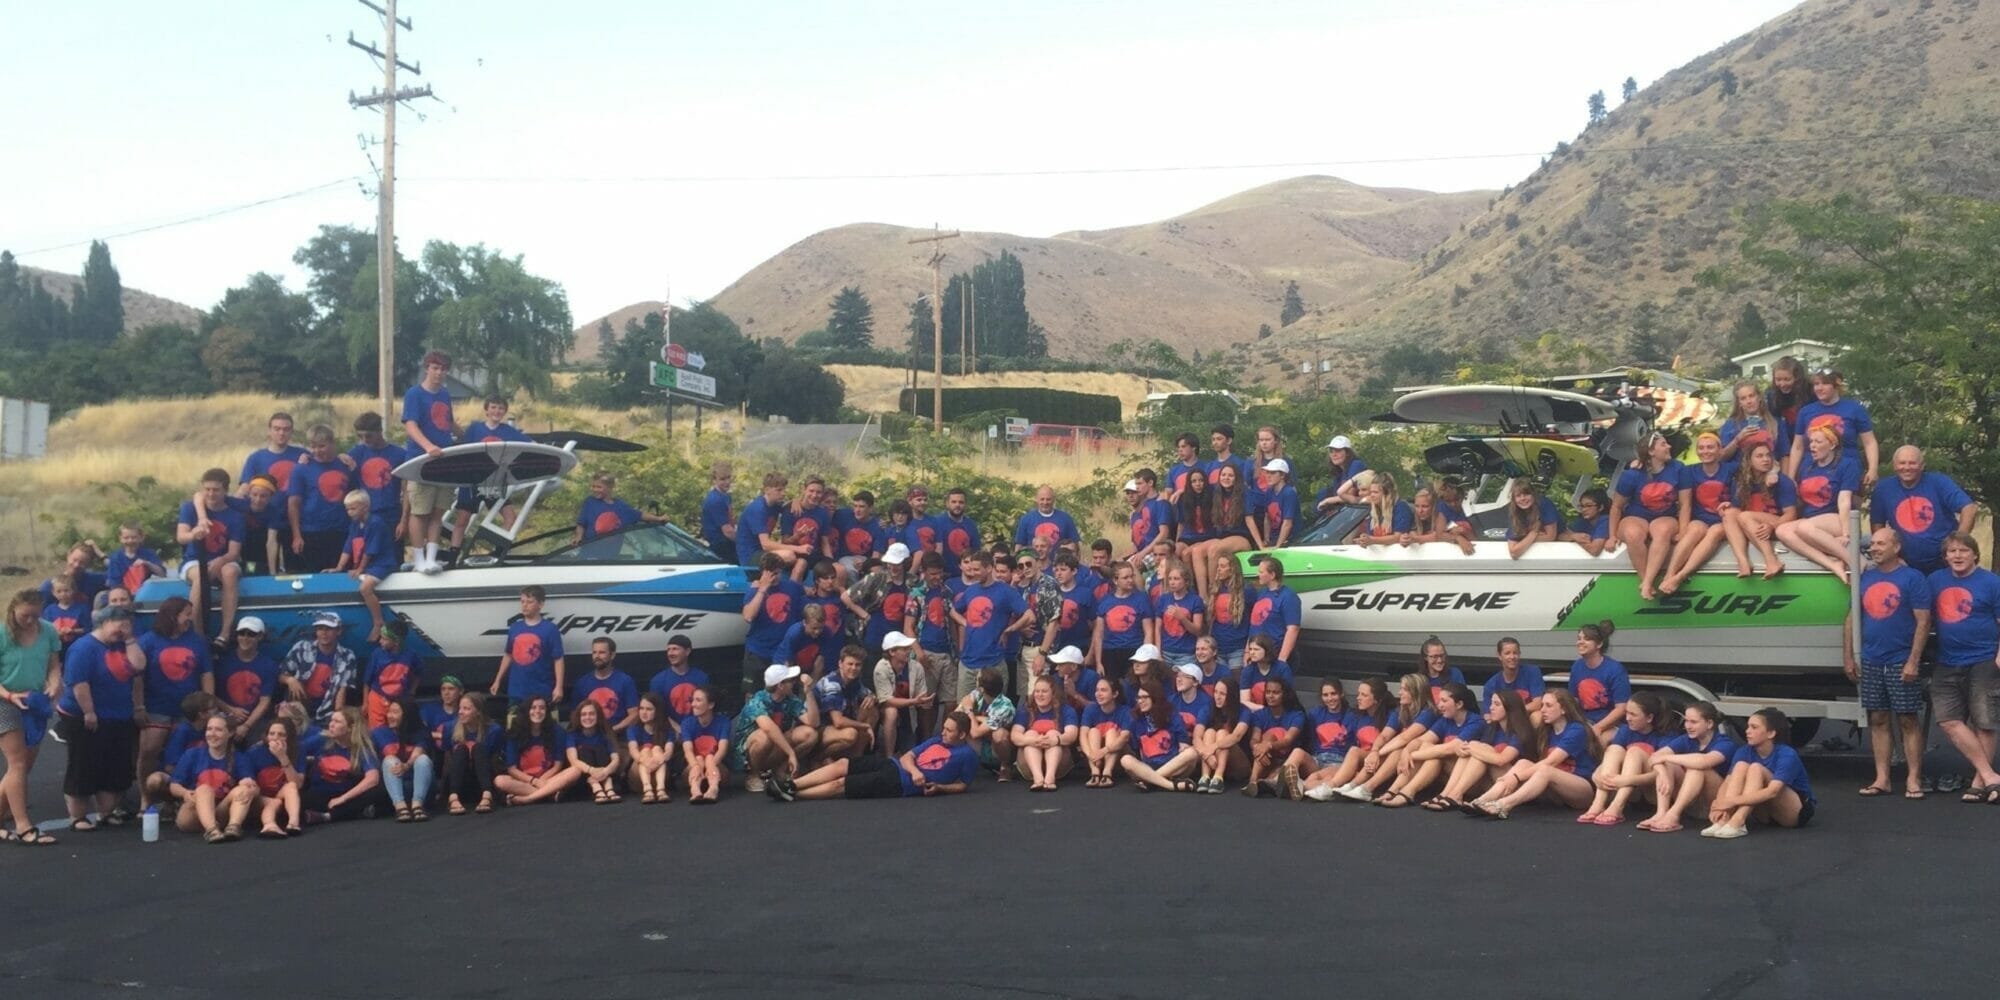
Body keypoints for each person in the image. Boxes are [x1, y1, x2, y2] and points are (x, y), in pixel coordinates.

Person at [1845, 528, 1931, 799]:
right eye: (1872, 544)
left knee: (1908, 719)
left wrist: (1913, 661)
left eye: (1881, 543)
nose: (1874, 548)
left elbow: (1923, 621)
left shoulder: (1913, 578)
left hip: (1900, 660)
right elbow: (1851, 619)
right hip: (1871, 659)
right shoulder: (1865, 578)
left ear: (1896, 547)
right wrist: (1848, 657)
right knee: (1878, 718)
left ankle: (1913, 779)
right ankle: (1882, 779)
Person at [55, 606, 145, 831]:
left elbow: (138, 667)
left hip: (119, 715)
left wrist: (129, 640)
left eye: (127, 626)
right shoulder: (83, 648)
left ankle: (106, 812)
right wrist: (89, 711)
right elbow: (79, 683)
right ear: (104, 623)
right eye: (119, 626)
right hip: (86, 715)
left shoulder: (123, 644)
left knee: (114, 765)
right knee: (84, 764)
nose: (122, 631)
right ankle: (78, 816)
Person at [766, 709, 979, 802]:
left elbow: (963, 785)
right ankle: (792, 784)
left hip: (899, 784)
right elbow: (907, 757)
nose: (943, 732)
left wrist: (940, 787)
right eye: (944, 728)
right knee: (843, 763)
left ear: (962, 734)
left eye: (949, 731)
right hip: (894, 765)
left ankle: (795, 794)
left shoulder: (967, 755)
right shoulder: (936, 740)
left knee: (841, 784)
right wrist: (915, 771)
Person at [1928, 532, 2000, 801]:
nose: (1957, 555)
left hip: (1984, 659)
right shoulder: (1935, 581)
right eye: (1952, 551)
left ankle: (1980, 784)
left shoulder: (1992, 582)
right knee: (1948, 720)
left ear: (1975, 554)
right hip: (1947, 660)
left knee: (1985, 722)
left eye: (1963, 551)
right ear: (1945, 557)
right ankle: (1991, 776)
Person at [1469, 690, 1605, 819]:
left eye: (1548, 706)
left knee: (1545, 769)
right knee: (1523, 763)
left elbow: (1551, 762)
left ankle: (1503, 805)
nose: (1543, 710)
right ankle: (1481, 801)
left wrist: (1516, 778)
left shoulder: (1576, 730)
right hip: (1555, 791)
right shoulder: (1546, 731)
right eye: (1542, 705)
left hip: (1582, 790)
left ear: (1564, 709)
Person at [135, 596, 213, 803]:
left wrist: (208, 705)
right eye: (187, 614)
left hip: (188, 708)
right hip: (156, 706)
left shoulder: (196, 640)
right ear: (172, 616)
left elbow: (206, 673)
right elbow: (138, 677)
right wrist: (139, 706)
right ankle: (146, 797)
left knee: (183, 752)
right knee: (149, 751)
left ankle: (175, 799)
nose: (190, 618)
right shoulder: (148, 640)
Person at [0, 589, 63, 844]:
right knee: (17, 763)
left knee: (24, 766)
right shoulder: (3, 634)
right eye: (25, 615)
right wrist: (8, 695)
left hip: (34, 700)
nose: (30, 621)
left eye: (35, 616)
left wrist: (55, 683)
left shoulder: (48, 630)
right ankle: (24, 826)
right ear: (14, 609)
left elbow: (54, 664)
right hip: (6, 700)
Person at [1704, 708, 1816, 838]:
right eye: (1748, 726)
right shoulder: (1744, 751)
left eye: (1754, 727)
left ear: (1771, 733)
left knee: (1756, 768)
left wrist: (1732, 801)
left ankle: (1738, 821)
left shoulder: (1787, 754)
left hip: (1793, 812)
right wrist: (1720, 804)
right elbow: (1728, 782)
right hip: (1764, 814)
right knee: (1741, 765)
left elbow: (1773, 791)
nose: (1747, 731)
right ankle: (1724, 819)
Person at [1870, 446, 1977, 574]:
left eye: (1912, 463)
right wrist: (1892, 556)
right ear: (1894, 466)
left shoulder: (1939, 482)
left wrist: (1957, 544)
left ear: (1922, 466)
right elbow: (1877, 525)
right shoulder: (1883, 489)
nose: (1907, 467)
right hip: (1905, 564)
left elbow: (1969, 508)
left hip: (1944, 563)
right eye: (1902, 463)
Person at [1776, 425, 1862, 582]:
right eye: (1811, 441)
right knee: (1782, 530)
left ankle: (1854, 561)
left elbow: (1844, 500)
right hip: (1811, 520)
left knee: (1804, 527)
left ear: (1832, 444)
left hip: (1838, 518)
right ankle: (1832, 564)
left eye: (1818, 442)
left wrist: (1846, 533)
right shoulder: (1807, 465)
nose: (1812, 446)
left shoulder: (1847, 464)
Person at [1578, 691, 1678, 826]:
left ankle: (1617, 807)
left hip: (1654, 791)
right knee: (1614, 749)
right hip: (1628, 790)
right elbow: (1610, 759)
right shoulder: (1626, 730)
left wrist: (1630, 780)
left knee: (1634, 751)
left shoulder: (1666, 735)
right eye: (1626, 713)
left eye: (1633, 714)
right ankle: (1598, 804)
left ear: (1649, 718)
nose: (1627, 718)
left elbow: (1665, 773)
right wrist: (1597, 774)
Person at [401, 350, 461, 573]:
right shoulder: (414, 394)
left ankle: (431, 558)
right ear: (427, 368)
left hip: (443, 462)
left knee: (438, 512)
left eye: (443, 369)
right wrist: (427, 446)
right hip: (421, 461)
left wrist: (467, 435)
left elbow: (449, 423)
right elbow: (410, 424)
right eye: (435, 368)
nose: (439, 373)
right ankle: (418, 560)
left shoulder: (444, 394)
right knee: (420, 512)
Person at [1379, 681, 1484, 809]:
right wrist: (1406, 751)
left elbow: (1450, 748)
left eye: (1444, 701)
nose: (1439, 705)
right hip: (1447, 775)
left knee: (1433, 753)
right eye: (1439, 700)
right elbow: (1421, 740)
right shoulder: (1445, 720)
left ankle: (1407, 792)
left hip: (1470, 781)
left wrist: (1412, 755)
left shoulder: (1476, 722)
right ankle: (1394, 790)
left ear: (1459, 704)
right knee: (1427, 746)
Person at [950, 550, 1031, 713]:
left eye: (976, 569)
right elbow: (953, 611)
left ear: (988, 568)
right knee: (963, 712)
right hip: (968, 662)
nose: (973, 573)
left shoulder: (1005, 591)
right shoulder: (971, 590)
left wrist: (1009, 630)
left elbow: (1029, 615)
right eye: (971, 568)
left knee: (994, 713)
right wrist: (965, 623)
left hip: (993, 663)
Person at [1638, 700, 1738, 833]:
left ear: (1709, 723)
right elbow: (1654, 757)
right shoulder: (1686, 739)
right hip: (1692, 804)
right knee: (1667, 765)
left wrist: (1666, 757)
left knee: (1696, 769)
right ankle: (1661, 813)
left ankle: (1673, 815)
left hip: (1713, 805)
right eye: (1686, 721)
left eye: (1693, 722)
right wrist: (1662, 772)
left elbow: (1704, 761)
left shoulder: (1725, 743)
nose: (1688, 726)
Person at [1427, 690, 1536, 811]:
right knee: (1476, 748)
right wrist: (1472, 748)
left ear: (1510, 708)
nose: (1491, 707)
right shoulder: (1492, 729)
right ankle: (1447, 793)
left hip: (1513, 784)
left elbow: (1501, 760)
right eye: (1491, 703)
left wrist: (1471, 748)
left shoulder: (1520, 732)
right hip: (1491, 782)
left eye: (1497, 704)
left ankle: (1455, 794)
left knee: (1478, 748)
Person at [1336, 674, 1436, 803]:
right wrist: (1374, 751)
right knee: (1362, 750)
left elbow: (1404, 738)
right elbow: (1384, 735)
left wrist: (1377, 753)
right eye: (1400, 688)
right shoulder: (1400, 710)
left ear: (1416, 692)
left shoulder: (1428, 712)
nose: (1399, 693)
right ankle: (1352, 785)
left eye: (1404, 689)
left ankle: (1367, 788)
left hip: (1420, 758)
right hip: (1401, 756)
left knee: (1397, 750)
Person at [1611, 432, 1686, 600]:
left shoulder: (1678, 468)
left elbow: (1685, 504)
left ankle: (1647, 582)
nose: (1669, 447)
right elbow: (1616, 507)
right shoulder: (1632, 474)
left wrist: (1683, 530)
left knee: (1662, 530)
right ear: (1651, 451)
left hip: (1665, 517)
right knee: (1633, 533)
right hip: (1636, 516)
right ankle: (1645, 580)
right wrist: (1611, 535)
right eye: (1663, 444)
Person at [1659, 433, 1734, 593]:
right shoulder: (1689, 471)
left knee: (1715, 532)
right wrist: (1639, 462)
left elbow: (1759, 466)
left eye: (1710, 447)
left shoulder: (1731, 469)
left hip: (1723, 520)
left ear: (1720, 450)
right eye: (1701, 448)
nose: (1705, 451)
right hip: (1700, 518)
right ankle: (1670, 574)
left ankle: (1681, 575)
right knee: (1694, 530)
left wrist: (1773, 472)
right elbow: (1663, 469)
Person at [176, 468, 245, 639]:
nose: (211, 494)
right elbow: (181, 537)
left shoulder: (235, 517)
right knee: (201, 575)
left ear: (225, 491)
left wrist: (220, 561)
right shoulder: (190, 509)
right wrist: (193, 534)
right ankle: (197, 632)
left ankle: (225, 632)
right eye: (207, 489)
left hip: (224, 559)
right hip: (194, 559)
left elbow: (234, 552)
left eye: (216, 490)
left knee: (230, 572)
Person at [168, 711, 258, 842]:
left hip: (222, 811)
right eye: (209, 729)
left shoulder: (240, 757)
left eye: (218, 730)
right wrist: (185, 793)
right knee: (204, 789)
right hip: (194, 812)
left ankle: (234, 827)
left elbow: (255, 789)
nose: (212, 734)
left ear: (230, 733)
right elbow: (174, 785)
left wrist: (249, 786)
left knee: (244, 789)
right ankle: (211, 830)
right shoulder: (192, 754)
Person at [1785, 367, 1879, 490]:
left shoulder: (1854, 409)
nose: (1819, 388)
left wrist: (1873, 469)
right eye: (1816, 384)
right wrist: (1791, 477)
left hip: (1846, 471)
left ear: (1836, 386)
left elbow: (1869, 442)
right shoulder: (1805, 412)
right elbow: (1798, 446)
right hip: (1812, 471)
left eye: (1825, 383)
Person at [732, 663, 820, 793]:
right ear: (780, 685)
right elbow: (769, 728)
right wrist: (791, 753)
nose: (794, 682)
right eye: (790, 680)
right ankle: (753, 775)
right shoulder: (758, 700)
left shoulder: (790, 700)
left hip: (775, 747)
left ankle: (780, 770)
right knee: (764, 737)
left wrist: (809, 692)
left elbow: (814, 722)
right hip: (749, 753)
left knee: (810, 734)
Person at [1718, 441, 1798, 580]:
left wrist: (1772, 526)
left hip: (1778, 523)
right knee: (1729, 513)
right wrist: (1728, 505)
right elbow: (1737, 511)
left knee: (1745, 516)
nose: (1765, 459)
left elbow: (1791, 514)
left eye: (1768, 455)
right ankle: (1743, 562)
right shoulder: (1741, 481)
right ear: (1749, 461)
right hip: (1752, 526)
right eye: (1759, 456)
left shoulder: (1782, 481)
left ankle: (1772, 561)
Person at [287, 425, 358, 573]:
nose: (317, 451)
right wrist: (296, 535)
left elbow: (355, 497)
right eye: (312, 446)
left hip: (342, 531)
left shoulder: (345, 465)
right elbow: (293, 504)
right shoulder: (301, 468)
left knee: (341, 575)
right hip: (311, 532)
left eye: (321, 446)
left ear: (332, 443)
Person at [491, 585, 566, 717]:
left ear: (541, 604)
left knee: (546, 727)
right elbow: (508, 655)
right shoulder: (515, 628)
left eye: (530, 602)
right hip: (517, 691)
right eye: (522, 601)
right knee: (515, 726)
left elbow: (558, 659)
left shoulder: (550, 629)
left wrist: (559, 687)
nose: (525, 605)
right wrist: (497, 680)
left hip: (542, 691)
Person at [493, 695, 580, 805]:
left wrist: (541, 781)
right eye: (533, 708)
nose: (538, 711)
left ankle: (528, 798)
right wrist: (533, 781)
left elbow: (557, 765)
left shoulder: (557, 731)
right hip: (525, 781)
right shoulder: (515, 732)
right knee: (500, 780)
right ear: (526, 710)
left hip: (549, 779)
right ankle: (550, 794)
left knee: (575, 771)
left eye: (542, 708)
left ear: (547, 711)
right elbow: (512, 769)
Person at [303, 706, 383, 823]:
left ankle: (328, 816)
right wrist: (318, 738)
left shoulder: (361, 748)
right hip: (320, 793)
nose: (331, 724)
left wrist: (342, 798)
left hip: (347, 794)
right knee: (296, 798)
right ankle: (358, 812)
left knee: (379, 792)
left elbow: (373, 778)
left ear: (350, 727)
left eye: (337, 722)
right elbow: (296, 750)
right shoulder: (321, 740)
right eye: (331, 720)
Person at [1278, 679, 1353, 801]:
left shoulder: (1352, 715)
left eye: (1333, 694)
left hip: (1339, 761)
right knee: (1297, 752)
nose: (1330, 698)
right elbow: (1309, 738)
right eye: (1325, 695)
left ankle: (1296, 786)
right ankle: (1279, 782)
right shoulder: (1315, 714)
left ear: (1341, 694)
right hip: (1318, 758)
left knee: (1319, 777)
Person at [347, 411, 409, 558]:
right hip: (365, 515)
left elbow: (407, 490)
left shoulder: (399, 454)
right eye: (360, 436)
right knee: (364, 560)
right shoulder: (356, 453)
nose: (364, 440)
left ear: (380, 431)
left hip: (391, 515)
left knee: (393, 559)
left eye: (368, 436)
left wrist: (404, 520)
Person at [1189, 461, 1255, 597]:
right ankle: (1203, 597)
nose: (1226, 478)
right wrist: (1179, 492)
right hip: (1223, 537)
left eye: (1230, 475)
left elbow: (1249, 520)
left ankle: (1214, 592)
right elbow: (1198, 488)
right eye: (1223, 475)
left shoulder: (1244, 493)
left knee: (1214, 549)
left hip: (1242, 537)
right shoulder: (1217, 492)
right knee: (1197, 551)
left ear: (1236, 478)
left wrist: (1260, 544)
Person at [1119, 679, 1199, 791]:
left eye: (1144, 697)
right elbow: (1137, 750)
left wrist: (1183, 747)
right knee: (1125, 760)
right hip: (1148, 767)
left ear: (1155, 697)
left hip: (1173, 765)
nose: (1140, 701)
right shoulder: (1135, 719)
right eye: (1139, 697)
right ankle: (1171, 786)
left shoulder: (1171, 714)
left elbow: (1183, 743)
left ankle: (1150, 781)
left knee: (1192, 753)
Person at [283, 611, 357, 726]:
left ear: (338, 631)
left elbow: (342, 691)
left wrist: (337, 718)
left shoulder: (347, 656)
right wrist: (290, 680)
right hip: (298, 709)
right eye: (320, 629)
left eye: (329, 629)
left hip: (326, 713)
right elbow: (281, 673)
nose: (324, 633)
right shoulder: (301, 647)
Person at [372, 696, 435, 822]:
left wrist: (406, 766)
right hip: (392, 786)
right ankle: (400, 807)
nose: (390, 716)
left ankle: (417, 805)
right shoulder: (379, 733)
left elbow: (418, 753)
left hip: (419, 784)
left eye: (395, 712)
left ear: (407, 714)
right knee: (389, 760)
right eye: (389, 712)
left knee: (423, 759)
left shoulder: (422, 732)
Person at [1011, 674, 1078, 791]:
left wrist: (1055, 740)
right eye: (1037, 691)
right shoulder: (1025, 709)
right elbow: (1015, 735)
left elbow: (1072, 734)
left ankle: (1050, 778)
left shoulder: (1066, 710)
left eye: (1044, 691)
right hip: (1028, 766)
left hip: (1059, 766)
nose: (1039, 695)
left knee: (1053, 733)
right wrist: (1033, 741)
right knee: (1030, 734)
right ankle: (1038, 779)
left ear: (1053, 693)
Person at [215, 616, 277, 744]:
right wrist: (229, 709)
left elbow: (265, 701)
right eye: (241, 633)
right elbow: (210, 694)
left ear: (260, 636)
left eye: (251, 634)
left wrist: (246, 726)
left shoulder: (268, 665)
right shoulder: (223, 661)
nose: (245, 638)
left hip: (255, 722)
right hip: (225, 717)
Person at [574, 472, 668, 554]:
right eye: (593, 486)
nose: (595, 489)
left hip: (610, 557)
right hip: (588, 554)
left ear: (610, 487)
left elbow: (640, 515)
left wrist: (658, 518)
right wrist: (578, 537)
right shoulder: (590, 502)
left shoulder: (621, 507)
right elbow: (581, 523)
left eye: (599, 487)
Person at [871, 631, 932, 756]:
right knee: (891, 712)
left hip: (908, 711)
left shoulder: (916, 667)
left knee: (908, 750)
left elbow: (922, 694)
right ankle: (889, 757)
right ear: (892, 652)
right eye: (904, 649)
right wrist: (914, 701)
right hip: (886, 709)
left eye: (908, 648)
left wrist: (922, 700)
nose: (909, 651)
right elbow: (887, 700)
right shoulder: (881, 668)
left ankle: (925, 744)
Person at [243, 717, 306, 838]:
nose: (275, 737)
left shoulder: (299, 750)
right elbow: (250, 785)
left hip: (282, 794)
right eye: (272, 734)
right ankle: (269, 826)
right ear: (266, 736)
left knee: (291, 786)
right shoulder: (254, 753)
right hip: (260, 797)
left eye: (281, 734)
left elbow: (298, 784)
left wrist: (282, 757)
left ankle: (293, 824)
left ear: (289, 737)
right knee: (274, 802)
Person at [811, 646, 877, 760]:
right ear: (840, 664)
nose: (854, 668)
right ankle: (818, 759)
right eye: (850, 664)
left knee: (871, 710)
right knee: (850, 734)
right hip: (818, 728)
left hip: (835, 727)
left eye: (857, 665)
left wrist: (872, 697)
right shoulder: (832, 683)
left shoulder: (854, 681)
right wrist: (865, 726)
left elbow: (870, 694)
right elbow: (838, 722)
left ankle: (855, 759)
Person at [441, 693, 503, 815]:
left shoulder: (494, 730)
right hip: (459, 783)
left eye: (466, 709)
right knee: (461, 749)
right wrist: (443, 792)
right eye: (460, 708)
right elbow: (447, 761)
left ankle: (487, 795)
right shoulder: (449, 728)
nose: (460, 712)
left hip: (482, 782)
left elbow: (495, 762)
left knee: (479, 747)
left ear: (478, 712)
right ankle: (453, 798)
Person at [1242, 677, 1303, 797]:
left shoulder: (1297, 715)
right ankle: (1253, 781)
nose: (1270, 696)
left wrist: (1268, 746)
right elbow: (1255, 738)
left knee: (1269, 740)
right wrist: (1257, 748)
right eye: (1268, 692)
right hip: (1266, 758)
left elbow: (1288, 740)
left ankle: (1262, 783)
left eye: (1275, 692)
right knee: (1267, 737)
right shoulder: (1260, 714)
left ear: (1284, 694)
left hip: (1287, 759)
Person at [1568, 621, 1630, 735]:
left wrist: (1598, 727)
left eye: (1586, 639)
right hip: (1585, 722)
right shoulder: (1576, 666)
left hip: (1611, 724)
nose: (1580, 642)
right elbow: (1573, 701)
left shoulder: (1615, 669)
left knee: (1597, 741)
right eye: (1579, 638)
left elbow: (1621, 708)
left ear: (1599, 644)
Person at [1093, 562, 1150, 684]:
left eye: (1132, 576)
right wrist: (1098, 662)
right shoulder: (1105, 601)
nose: (1130, 580)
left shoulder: (1142, 599)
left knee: (1133, 686)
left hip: (1134, 650)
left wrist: (1145, 657)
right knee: (1112, 686)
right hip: (1110, 651)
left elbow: (1148, 632)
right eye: (1125, 578)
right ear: (1115, 580)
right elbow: (1098, 634)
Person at [1192, 676, 1251, 794]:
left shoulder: (1244, 711)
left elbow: (1236, 736)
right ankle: (1205, 777)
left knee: (1222, 733)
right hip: (1212, 761)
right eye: (1215, 692)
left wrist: (1213, 747)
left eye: (1223, 694)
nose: (1217, 697)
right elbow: (1196, 737)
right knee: (1209, 732)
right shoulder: (1208, 708)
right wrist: (1206, 754)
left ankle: (1218, 778)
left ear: (1232, 696)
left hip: (1239, 765)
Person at [571, 636, 640, 732]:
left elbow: (634, 715)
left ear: (612, 655)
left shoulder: (625, 681)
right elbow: (574, 715)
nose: (597, 656)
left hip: (618, 736)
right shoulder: (582, 683)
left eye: (602, 652)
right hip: (590, 736)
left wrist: (612, 730)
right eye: (594, 652)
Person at [959, 666, 1017, 778]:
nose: (975, 681)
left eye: (976, 680)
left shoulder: (1005, 707)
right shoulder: (978, 694)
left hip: (998, 750)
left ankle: (1005, 767)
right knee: (958, 723)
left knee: (999, 734)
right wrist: (979, 718)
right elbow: (956, 715)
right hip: (982, 744)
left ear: (982, 689)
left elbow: (975, 733)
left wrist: (970, 712)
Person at [564, 699, 625, 804]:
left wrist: (605, 772)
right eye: (584, 714)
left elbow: (615, 759)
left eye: (591, 714)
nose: (587, 717)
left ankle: (608, 786)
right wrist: (592, 770)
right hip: (584, 777)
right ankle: (598, 787)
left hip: (606, 773)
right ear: (579, 717)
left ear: (598, 716)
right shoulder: (572, 734)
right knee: (584, 751)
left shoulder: (606, 732)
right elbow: (573, 760)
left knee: (600, 750)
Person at [1077, 675, 1132, 788]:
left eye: (1103, 690)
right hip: (1096, 758)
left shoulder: (1125, 711)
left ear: (1115, 694)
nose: (1099, 693)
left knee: (1112, 732)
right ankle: (1095, 772)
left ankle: (1107, 773)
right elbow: (1083, 734)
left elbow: (1124, 737)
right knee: (1093, 731)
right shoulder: (1091, 708)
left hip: (1117, 755)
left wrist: (1103, 751)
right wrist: (1091, 755)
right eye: (1097, 690)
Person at [678, 685, 731, 804]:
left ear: (711, 705)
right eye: (692, 700)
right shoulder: (687, 723)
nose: (693, 704)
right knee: (698, 758)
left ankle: (713, 788)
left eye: (698, 700)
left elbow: (722, 749)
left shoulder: (723, 721)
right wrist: (696, 766)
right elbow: (688, 750)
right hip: (694, 770)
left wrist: (711, 764)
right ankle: (695, 789)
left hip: (717, 770)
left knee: (710, 757)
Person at [241, 411, 309, 500]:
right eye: (277, 429)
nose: (281, 433)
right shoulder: (256, 458)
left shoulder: (303, 455)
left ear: (292, 431)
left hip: (297, 506)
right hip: (267, 507)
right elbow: (245, 488)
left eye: (286, 429)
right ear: (269, 431)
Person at [1718, 379, 1788, 465]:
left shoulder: (1776, 422)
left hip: (1770, 470)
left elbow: (1784, 455)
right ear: (1739, 403)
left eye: (1751, 396)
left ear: (1759, 397)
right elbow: (1721, 457)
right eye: (1743, 398)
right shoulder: (1731, 424)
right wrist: (1738, 439)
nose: (1749, 401)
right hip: (1740, 471)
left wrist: (1784, 474)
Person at [1248, 557, 1302, 664]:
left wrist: (1282, 659)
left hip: (1274, 655)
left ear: (1272, 575)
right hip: (1256, 654)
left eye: (1261, 572)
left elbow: (1293, 629)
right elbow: (1254, 624)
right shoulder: (1262, 593)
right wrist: (1247, 651)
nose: (1258, 574)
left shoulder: (1288, 596)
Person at [625, 692, 675, 803]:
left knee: (657, 749)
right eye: (641, 708)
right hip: (638, 774)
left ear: (657, 711)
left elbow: (669, 752)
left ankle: (661, 789)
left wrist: (657, 760)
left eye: (649, 709)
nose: (644, 712)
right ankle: (647, 789)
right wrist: (646, 761)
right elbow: (633, 751)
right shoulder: (633, 729)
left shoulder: (667, 730)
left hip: (660, 773)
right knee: (645, 750)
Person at [648, 634, 711, 720]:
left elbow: (706, 709)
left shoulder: (701, 678)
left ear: (687, 651)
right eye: (668, 650)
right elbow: (658, 712)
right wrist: (676, 727)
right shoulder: (658, 681)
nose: (670, 653)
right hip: (668, 727)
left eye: (675, 649)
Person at [1206, 554, 1251, 672]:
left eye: (1222, 566)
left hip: (1238, 647)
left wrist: (1248, 648)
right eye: (1218, 566)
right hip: (1218, 646)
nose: (1218, 569)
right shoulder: (1216, 588)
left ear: (1232, 569)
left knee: (1236, 679)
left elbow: (1253, 620)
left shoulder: (1246, 590)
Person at [830, 489, 886, 580]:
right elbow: (826, 511)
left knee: (878, 571)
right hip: (844, 557)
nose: (857, 510)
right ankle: (856, 589)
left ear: (870, 508)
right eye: (855, 506)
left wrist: (865, 564)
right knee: (850, 570)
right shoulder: (844, 515)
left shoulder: (878, 526)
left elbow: (876, 555)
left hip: (866, 559)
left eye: (861, 507)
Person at [1407, 485, 1477, 556]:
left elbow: (1437, 536)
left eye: (1425, 506)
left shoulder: (1444, 519)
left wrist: (1414, 539)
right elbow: (1411, 535)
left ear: (1434, 507)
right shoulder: (1414, 521)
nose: (1420, 510)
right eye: (1417, 506)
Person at [1480, 637, 1546, 712]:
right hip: (1504, 718)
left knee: (1537, 716)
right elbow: (1487, 714)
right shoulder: (1491, 685)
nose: (1512, 657)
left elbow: (1538, 704)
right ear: (1499, 655)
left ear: (1519, 654)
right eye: (1507, 653)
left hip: (1528, 715)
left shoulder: (1532, 672)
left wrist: (1512, 712)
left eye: (1515, 653)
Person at [104, 522, 166, 598]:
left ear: (141, 537)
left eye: (134, 537)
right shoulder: (115, 558)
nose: (130, 541)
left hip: (146, 594)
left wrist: (147, 563)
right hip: (123, 595)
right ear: (120, 539)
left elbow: (162, 574)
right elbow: (114, 584)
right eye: (126, 538)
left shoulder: (149, 554)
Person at [1014, 485, 1082, 554]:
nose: (1045, 502)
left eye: (1048, 499)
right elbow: (1019, 545)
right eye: (1042, 499)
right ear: (1036, 499)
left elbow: (1075, 546)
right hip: (1034, 560)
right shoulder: (1026, 519)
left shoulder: (1066, 518)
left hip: (1060, 560)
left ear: (1054, 500)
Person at [1353, 473, 1416, 547]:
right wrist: (1364, 539)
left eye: (1375, 492)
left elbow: (1398, 537)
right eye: (1371, 492)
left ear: (1387, 494)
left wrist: (1372, 540)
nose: (1372, 495)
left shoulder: (1401, 508)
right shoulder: (1375, 511)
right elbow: (1370, 536)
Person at [1250, 459, 1298, 550]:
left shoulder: (1289, 493)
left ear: (1282, 475)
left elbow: (1287, 523)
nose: (1268, 476)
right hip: (1274, 538)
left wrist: (1278, 546)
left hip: (1290, 540)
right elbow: (1267, 517)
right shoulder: (1269, 491)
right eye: (1267, 472)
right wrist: (1266, 540)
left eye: (1272, 473)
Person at [1315, 435, 1369, 511]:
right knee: (1323, 493)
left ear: (1347, 453)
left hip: (1364, 510)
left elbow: (1349, 495)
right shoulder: (1339, 471)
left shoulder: (1356, 465)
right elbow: (1336, 494)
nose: (1334, 454)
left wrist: (1327, 501)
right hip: (1350, 509)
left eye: (1338, 451)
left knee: (1324, 496)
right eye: (1331, 451)